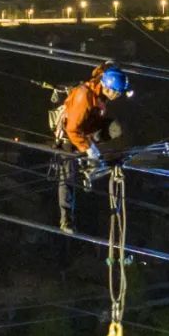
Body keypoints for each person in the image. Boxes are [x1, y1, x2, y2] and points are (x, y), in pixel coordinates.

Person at [52, 63, 131, 233]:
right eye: (117, 93)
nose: (118, 96)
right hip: (70, 135)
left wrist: (110, 64)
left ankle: (91, 161)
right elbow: (72, 130)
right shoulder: (84, 98)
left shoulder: (101, 83)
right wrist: (89, 148)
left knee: (115, 129)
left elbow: (100, 70)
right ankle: (66, 219)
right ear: (109, 89)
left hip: (89, 126)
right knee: (67, 177)